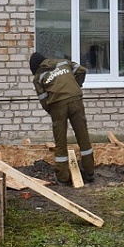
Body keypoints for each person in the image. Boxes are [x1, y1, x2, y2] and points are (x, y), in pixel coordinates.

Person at [29, 52, 95, 185]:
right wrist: (76, 85)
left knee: (60, 141)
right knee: (83, 135)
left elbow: (43, 100)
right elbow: (81, 70)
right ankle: (89, 172)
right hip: (76, 99)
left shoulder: (38, 77)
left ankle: (62, 178)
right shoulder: (64, 62)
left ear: (35, 67)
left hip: (57, 105)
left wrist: (53, 112)